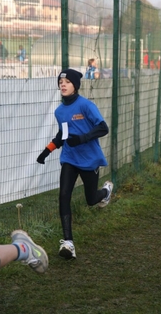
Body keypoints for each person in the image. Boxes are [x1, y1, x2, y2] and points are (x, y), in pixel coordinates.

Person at [37, 69, 113, 260]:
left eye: (67, 81)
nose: (63, 84)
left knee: (90, 199)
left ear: (75, 86)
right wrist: (47, 151)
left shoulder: (86, 105)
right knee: (64, 195)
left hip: (89, 160)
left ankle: (105, 192)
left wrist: (82, 139)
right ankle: (68, 242)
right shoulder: (59, 111)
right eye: (60, 81)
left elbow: (103, 128)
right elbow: (62, 137)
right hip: (69, 159)